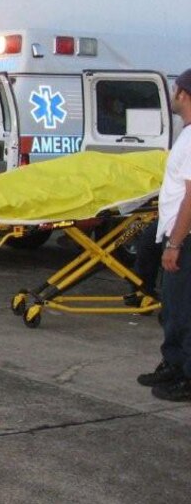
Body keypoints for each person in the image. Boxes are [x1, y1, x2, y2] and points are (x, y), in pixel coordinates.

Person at [138, 69, 191, 402]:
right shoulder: (186, 134)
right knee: (172, 308)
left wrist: (175, 243)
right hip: (175, 232)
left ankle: (187, 376)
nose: (172, 95)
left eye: (175, 89)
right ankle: (173, 363)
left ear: (184, 94)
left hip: (184, 237)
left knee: (184, 310)